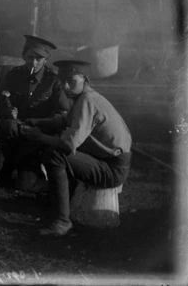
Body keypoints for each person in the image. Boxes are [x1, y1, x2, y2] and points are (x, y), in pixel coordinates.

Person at [21, 60, 132, 237]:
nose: (65, 86)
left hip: (112, 170)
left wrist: (39, 136)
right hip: (106, 161)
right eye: (62, 81)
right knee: (57, 148)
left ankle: (62, 222)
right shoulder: (84, 97)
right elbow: (66, 121)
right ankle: (57, 204)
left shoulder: (87, 102)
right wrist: (38, 122)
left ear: (85, 80)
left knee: (56, 154)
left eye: (71, 81)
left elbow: (68, 144)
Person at [0, 35, 71, 190]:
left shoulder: (54, 81)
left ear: (46, 59)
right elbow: (1, 102)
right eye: (30, 57)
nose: (34, 62)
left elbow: (61, 113)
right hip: (16, 129)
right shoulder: (13, 75)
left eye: (39, 58)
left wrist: (39, 125)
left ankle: (30, 167)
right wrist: (9, 111)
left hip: (39, 134)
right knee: (7, 126)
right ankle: (9, 165)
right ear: (24, 55)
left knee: (25, 185)